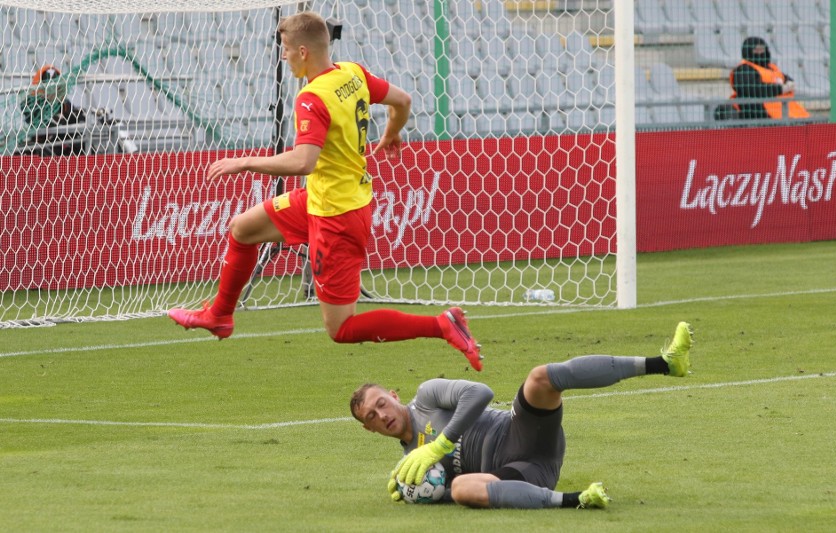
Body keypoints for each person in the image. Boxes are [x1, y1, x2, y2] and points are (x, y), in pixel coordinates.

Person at [167, 12, 483, 371]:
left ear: (303, 51)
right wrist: (393, 131)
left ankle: (442, 325)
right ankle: (220, 316)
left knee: (342, 327)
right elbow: (404, 101)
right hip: (322, 199)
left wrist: (244, 163)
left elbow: (304, 161)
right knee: (243, 228)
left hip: (336, 216)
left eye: (285, 49)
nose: (283, 56)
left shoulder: (311, 97)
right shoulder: (353, 73)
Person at [350, 321, 695, 509]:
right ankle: (576, 500)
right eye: (371, 417)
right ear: (369, 429)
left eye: (381, 403)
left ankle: (663, 364)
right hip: (521, 474)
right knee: (462, 491)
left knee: (540, 378)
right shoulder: (412, 463)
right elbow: (448, 489)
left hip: (520, 432)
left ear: (393, 395)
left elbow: (480, 392)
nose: (381, 415)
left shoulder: (427, 396)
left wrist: (440, 445)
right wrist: (419, 494)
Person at [729, 36, 810, 120]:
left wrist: (790, 84)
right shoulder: (744, 69)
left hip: (787, 108)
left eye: (762, 49)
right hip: (763, 113)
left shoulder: (772, 67)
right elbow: (753, 89)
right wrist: (780, 89)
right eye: (756, 50)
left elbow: (785, 78)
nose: (760, 52)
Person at [19, 64, 87, 155]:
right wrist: (57, 121)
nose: (52, 90)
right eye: (48, 86)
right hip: (43, 147)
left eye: (55, 86)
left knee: (83, 145)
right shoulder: (30, 103)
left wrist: (79, 116)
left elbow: (75, 117)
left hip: (65, 145)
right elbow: (37, 121)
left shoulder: (64, 103)